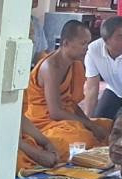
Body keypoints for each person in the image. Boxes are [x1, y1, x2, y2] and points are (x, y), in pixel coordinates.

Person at [24, 19, 113, 155]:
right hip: (44, 123)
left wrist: (90, 124)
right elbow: (55, 112)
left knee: (108, 126)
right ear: (66, 43)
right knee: (81, 138)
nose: (87, 48)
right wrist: (90, 126)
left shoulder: (75, 64)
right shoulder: (50, 68)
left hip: (64, 119)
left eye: (88, 43)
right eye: (83, 43)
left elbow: (71, 104)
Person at [83, 16, 122, 121]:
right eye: (120, 36)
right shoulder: (94, 50)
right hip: (114, 91)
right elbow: (92, 87)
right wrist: (87, 120)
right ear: (106, 40)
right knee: (98, 122)